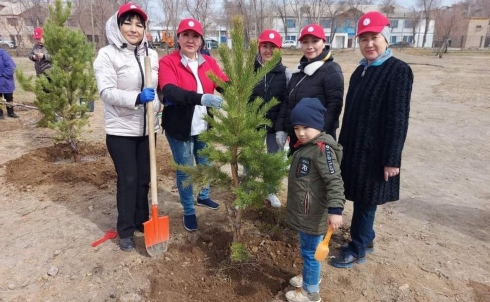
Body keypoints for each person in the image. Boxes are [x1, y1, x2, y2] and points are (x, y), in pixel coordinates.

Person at [332, 11, 413, 268]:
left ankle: (357, 249)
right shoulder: (360, 71)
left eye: (374, 37)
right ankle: (366, 238)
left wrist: (391, 159)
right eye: (364, 38)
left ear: (386, 38)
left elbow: (398, 118)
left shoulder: (398, 71)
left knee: (367, 201)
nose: (369, 44)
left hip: (376, 153)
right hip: (354, 149)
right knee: (357, 195)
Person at [93, 3, 160, 252]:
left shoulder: (151, 55)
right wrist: (136, 98)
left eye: (139, 24)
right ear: (117, 26)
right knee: (129, 179)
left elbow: (156, 90)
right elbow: (106, 92)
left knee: (144, 179)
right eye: (128, 23)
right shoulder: (107, 55)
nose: (134, 29)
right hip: (121, 130)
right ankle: (125, 230)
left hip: (147, 128)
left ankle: (142, 221)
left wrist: (159, 103)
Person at [158, 18, 228, 232]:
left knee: (206, 164)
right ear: (178, 38)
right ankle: (189, 210)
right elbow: (170, 91)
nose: (190, 40)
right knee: (186, 170)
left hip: (204, 125)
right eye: (185, 35)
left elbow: (225, 83)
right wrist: (202, 98)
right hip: (179, 128)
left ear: (201, 40)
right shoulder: (168, 62)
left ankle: (203, 196)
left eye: (195, 36)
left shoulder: (209, 63)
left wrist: (239, 91)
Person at [285, 98, 345, 302]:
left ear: (318, 126)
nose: (301, 133)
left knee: (311, 252)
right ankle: (310, 277)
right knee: (308, 249)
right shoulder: (307, 145)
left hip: (313, 212)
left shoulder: (321, 149)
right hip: (306, 212)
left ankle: (311, 293)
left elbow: (334, 180)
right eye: (297, 128)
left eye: (306, 127)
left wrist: (336, 209)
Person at [275, 24, 344, 154]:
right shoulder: (298, 71)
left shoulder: (331, 69)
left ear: (324, 43)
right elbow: (287, 101)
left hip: (317, 142)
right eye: (305, 42)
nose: (309, 46)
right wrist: (281, 128)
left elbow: (334, 107)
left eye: (315, 41)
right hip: (297, 138)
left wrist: (318, 136)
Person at [249, 29, 291, 207]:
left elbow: (287, 102)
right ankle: (248, 189)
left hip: (276, 126)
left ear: (279, 49)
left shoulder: (285, 73)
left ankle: (271, 191)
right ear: (259, 48)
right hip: (254, 124)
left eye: (273, 46)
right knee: (250, 158)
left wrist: (283, 128)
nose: (268, 50)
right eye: (265, 46)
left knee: (274, 160)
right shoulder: (250, 72)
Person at [0, 48, 18, 119]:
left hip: (6, 80)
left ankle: (10, 112)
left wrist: (3, 75)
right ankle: (0, 114)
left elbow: (11, 66)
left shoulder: (3, 54)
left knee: (9, 97)